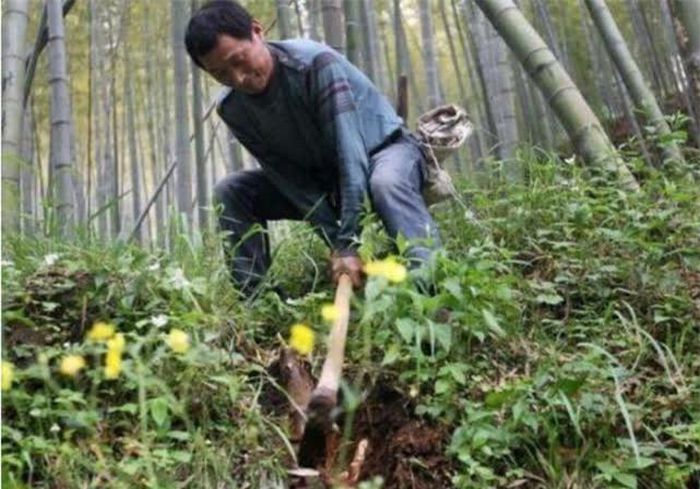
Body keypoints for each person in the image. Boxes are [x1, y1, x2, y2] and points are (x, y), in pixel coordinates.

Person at [185, 0, 441, 297]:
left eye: (239, 60)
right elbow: (288, 179)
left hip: (384, 153)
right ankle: (257, 301)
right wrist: (337, 243)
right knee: (232, 190)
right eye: (221, 74)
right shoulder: (231, 108)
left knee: (384, 183)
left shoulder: (314, 65)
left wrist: (349, 242)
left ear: (257, 31)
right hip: (325, 180)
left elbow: (351, 155)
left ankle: (431, 286)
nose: (237, 78)